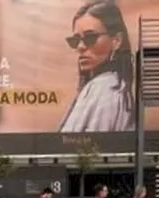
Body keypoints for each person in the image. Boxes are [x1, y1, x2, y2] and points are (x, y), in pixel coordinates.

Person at [58, 1, 135, 133]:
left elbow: (88, 146)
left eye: (90, 37)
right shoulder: (117, 86)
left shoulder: (102, 87)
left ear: (116, 40)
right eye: (75, 40)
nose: (80, 47)